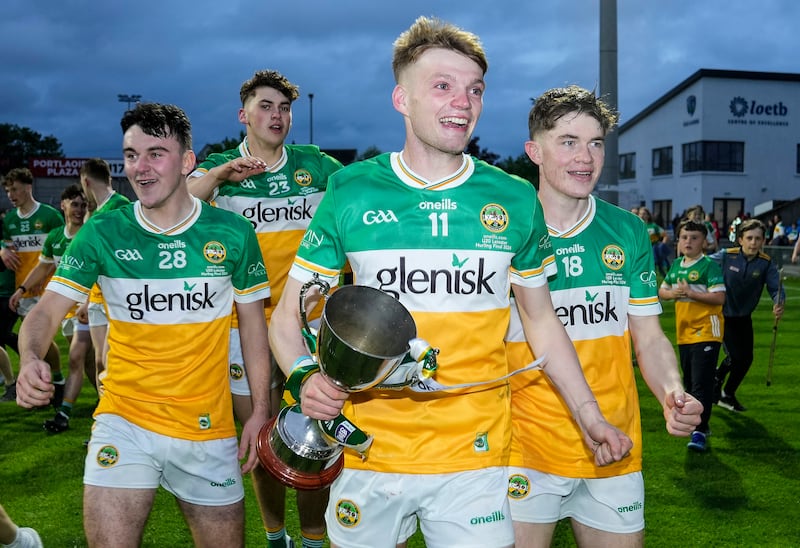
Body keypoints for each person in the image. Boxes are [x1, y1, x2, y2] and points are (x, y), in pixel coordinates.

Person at [269, 18, 632, 548]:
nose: (463, 102)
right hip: (372, 452)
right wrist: (304, 376)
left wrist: (589, 414)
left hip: (476, 457)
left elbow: (540, 321)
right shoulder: (350, 190)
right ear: (402, 98)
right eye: (442, 86)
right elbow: (288, 316)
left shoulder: (512, 198)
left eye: (475, 89)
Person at [14, 102, 272, 547]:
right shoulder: (103, 231)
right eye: (132, 155)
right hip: (125, 420)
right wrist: (30, 355)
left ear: (187, 161)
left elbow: (252, 329)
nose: (141, 167)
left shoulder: (232, 233)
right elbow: (46, 310)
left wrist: (261, 410)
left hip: (206, 430)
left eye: (156, 153)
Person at [505, 85, 702, 547]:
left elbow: (649, 338)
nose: (586, 157)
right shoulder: (505, 231)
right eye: (568, 142)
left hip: (615, 443)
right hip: (525, 445)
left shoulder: (628, 230)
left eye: (596, 143)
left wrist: (672, 391)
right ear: (534, 151)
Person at [188, 69, 343, 548]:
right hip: (247, 327)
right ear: (243, 115)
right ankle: (276, 536)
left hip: (310, 325)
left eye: (284, 108)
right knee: (265, 435)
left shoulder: (314, 165)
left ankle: (315, 538)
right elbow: (177, 201)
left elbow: (358, 198)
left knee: (316, 436)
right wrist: (218, 177)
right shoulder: (219, 169)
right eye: (265, 106)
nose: (277, 116)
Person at [9, 184, 90, 433]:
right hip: (64, 309)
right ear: (63, 205)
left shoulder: (91, 234)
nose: (79, 209)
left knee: (78, 357)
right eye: (74, 204)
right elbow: (43, 268)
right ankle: (102, 402)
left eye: (83, 204)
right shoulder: (56, 237)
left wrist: (89, 302)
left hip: (92, 308)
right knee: (89, 363)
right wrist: (22, 289)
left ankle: (64, 411)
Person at [658, 220, 725, 452]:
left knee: (700, 384)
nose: (689, 241)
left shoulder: (709, 266)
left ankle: (700, 430)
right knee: (689, 381)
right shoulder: (676, 265)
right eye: (685, 237)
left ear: (704, 242)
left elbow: (719, 298)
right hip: (684, 333)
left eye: (695, 237)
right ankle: (697, 421)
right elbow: (662, 291)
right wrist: (673, 293)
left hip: (707, 330)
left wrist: (690, 293)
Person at [1, 168, 65, 407]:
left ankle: (57, 381)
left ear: (28, 187)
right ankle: (48, 384)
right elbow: (10, 253)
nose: (10, 194)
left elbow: (58, 254)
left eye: (15, 189)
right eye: (7, 190)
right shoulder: (9, 220)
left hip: (48, 289)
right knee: (36, 342)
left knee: (44, 339)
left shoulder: (49, 216)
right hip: (23, 289)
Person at [711, 218, 784, 412]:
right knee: (735, 356)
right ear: (740, 239)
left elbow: (776, 288)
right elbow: (703, 265)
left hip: (743, 317)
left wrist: (778, 303)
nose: (753, 243)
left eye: (757, 239)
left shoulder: (766, 264)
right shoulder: (727, 256)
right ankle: (717, 381)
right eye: (749, 238)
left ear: (763, 241)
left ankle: (727, 393)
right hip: (722, 315)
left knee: (746, 359)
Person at [75, 158, 131, 388]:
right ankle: (104, 417)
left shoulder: (120, 205)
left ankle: (118, 414)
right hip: (97, 296)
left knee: (112, 361)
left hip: (116, 297)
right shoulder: (94, 213)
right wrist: (86, 300)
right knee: (100, 362)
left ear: (85, 181)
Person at [638, 207, 671, 276]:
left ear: (648, 215)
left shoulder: (653, 226)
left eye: (644, 214)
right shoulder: (637, 226)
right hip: (642, 249)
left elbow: (665, 235)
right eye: (640, 214)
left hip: (654, 249)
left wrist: (662, 245)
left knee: (657, 266)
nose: (642, 216)